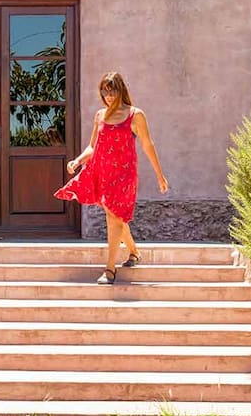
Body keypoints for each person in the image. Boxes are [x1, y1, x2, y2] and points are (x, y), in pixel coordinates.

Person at [54, 71, 169, 284]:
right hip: (102, 172)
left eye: (112, 91)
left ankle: (109, 269)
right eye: (104, 92)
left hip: (125, 175)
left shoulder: (136, 115)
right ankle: (133, 252)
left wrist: (159, 176)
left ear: (121, 90)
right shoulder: (100, 115)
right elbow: (92, 147)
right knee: (116, 215)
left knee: (114, 217)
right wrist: (78, 161)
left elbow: (147, 145)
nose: (108, 96)